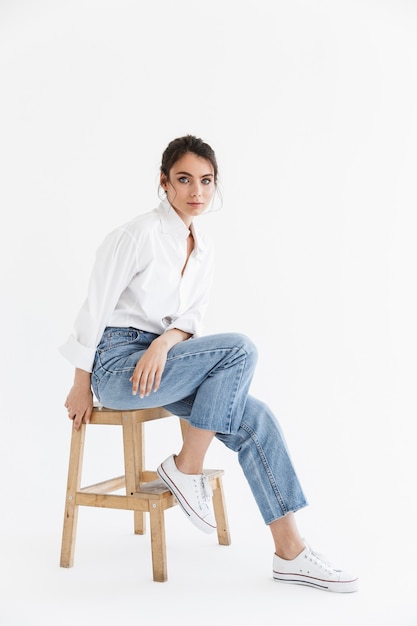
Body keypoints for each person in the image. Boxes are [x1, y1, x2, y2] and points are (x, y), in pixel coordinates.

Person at [60, 134, 358, 593]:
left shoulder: (203, 247)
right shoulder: (135, 234)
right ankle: (187, 468)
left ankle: (291, 553)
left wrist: (164, 343)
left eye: (206, 181)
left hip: (164, 360)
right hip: (119, 367)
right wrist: (81, 382)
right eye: (184, 180)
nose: (196, 192)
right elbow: (93, 310)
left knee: (256, 419)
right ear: (164, 183)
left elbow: (190, 318)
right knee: (239, 349)